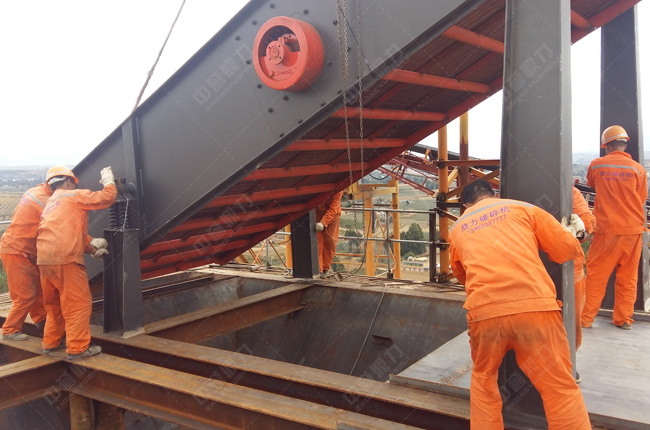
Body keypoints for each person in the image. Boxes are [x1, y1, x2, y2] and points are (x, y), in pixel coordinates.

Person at [449, 180, 591, 430]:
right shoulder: (522, 208)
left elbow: (461, 274)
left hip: (485, 314)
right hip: (534, 308)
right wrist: (577, 235)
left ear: (466, 205)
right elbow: (564, 249)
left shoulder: (458, 228)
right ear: (494, 195)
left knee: (484, 382)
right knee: (558, 385)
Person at [37, 166, 116, 360]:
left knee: (54, 305)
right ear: (68, 182)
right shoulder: (73, 195)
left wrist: (92, 249)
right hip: (66, 260)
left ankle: (51, 343)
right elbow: (107, 198)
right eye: (73, 183)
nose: (74, 186)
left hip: (45, 260)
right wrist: (109, 182)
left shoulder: (50, 203)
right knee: (78, 304)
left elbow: (69, 233)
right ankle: (78, 348)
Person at [581, 125, 647, 330]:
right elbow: (641, 198)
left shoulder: (597, 165)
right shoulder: (638, 169)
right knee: (628, 277)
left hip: (606, 230)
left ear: (606, 146)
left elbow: (592, 184)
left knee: (596, 276)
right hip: (633, 231)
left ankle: (585, 319)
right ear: (624, 145)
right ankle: (624, 319)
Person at [0, 172, 55, 340]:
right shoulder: (46, 201)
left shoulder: (37, 191)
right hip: (17, 251)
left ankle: (42, 320)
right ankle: (10, 330)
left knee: (37, 289)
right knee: (24, 295)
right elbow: (60, 225)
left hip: (22, 250)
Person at [571, 185, 596, 353]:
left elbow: (587, 219)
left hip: (568, 266)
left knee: (570, 321)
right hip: (530, 268)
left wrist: (581, 230)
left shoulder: (569, 192)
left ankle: (568, 360)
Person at [314, 191, 343, 278]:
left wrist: (323, 222)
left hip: (333, 217)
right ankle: (318, 269)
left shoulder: (338, 191)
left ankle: (325, 268)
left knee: (330, 241)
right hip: (317, 215)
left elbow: (333, 209)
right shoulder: (316, 188)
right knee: (316, 242)